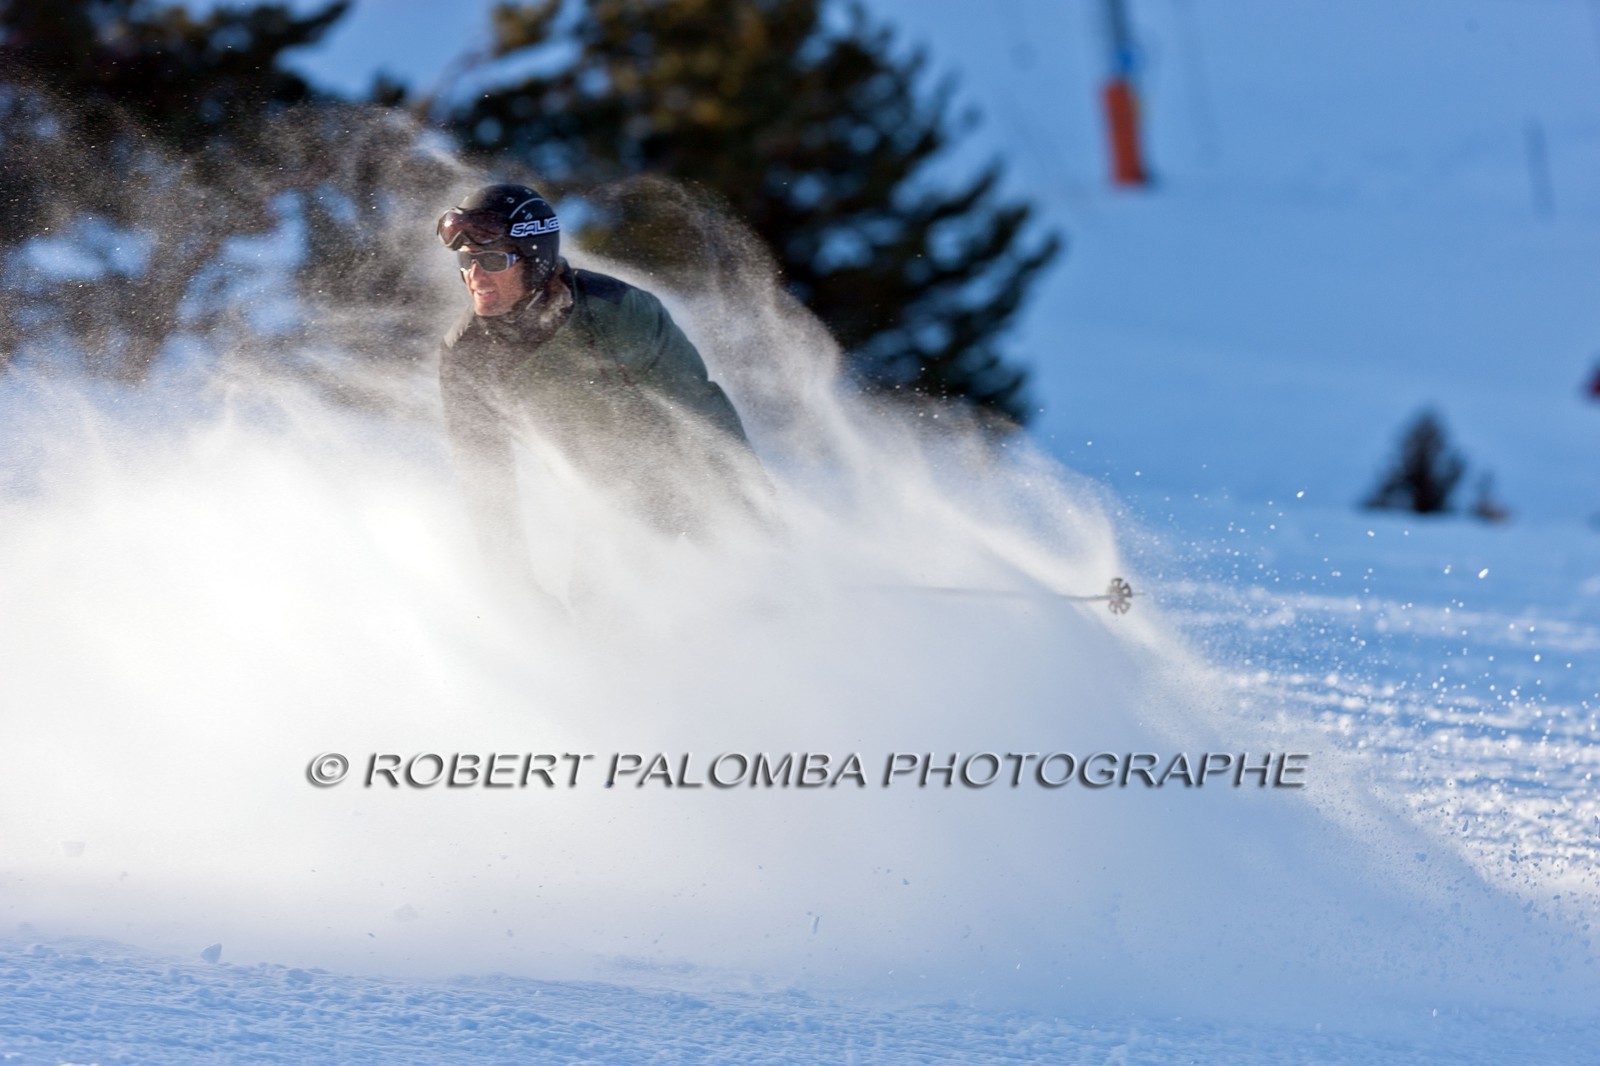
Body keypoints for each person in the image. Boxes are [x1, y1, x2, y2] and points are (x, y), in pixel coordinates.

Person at [435, 182, 760, 602]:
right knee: (598, 622)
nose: (474, 276)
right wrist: (513, 583)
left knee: (756, 597)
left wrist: (756, 523)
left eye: (493, 259)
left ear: (534, 260)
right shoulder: (467, 353)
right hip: (612, 505)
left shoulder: (618, 310)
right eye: (466, 260)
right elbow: (485, 477)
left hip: (694, 478)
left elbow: (702, 410)